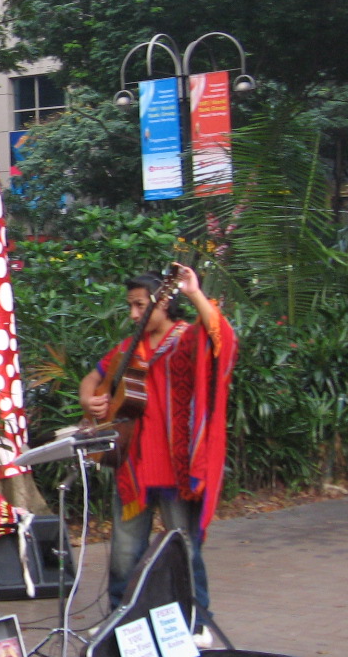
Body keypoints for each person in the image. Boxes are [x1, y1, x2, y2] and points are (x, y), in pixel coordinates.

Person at [78, 263, 237, 628]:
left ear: (162, 303)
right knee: (123, 555)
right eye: (130, 306)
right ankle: (120, 627)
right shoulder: (128, 348)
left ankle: (198, 623)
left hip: (177, 468)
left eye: (139, 306)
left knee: (185, 553)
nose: (134, 314)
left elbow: (221, 338)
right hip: (134, 467)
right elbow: (93, 378)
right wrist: (90, 402)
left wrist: (194, 292)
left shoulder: (185, 339)